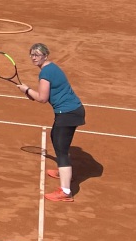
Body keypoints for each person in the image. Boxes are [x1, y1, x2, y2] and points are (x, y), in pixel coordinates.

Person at [14, 44, 85, 202]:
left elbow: (42, 98)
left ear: (45, 56)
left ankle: (66, 192)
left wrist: (26, 90)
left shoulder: (45, 73)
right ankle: (64, 172)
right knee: (58, 140)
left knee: (61, 149)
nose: (34, 57)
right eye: (32, 54)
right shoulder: (52, 68)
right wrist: (28, 92)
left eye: (37, 55)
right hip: (73, 111)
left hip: (67, 113)